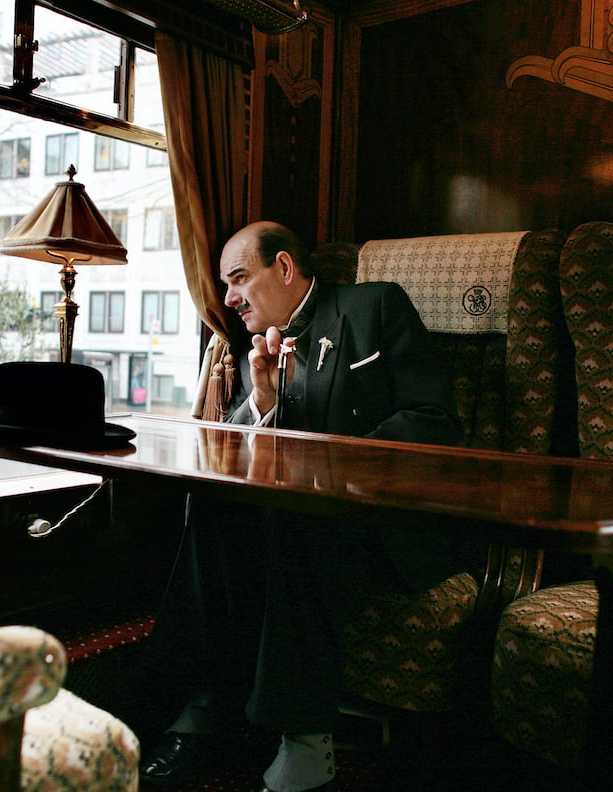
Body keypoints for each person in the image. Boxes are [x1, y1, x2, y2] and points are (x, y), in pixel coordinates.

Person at [140, 222, 468, 791]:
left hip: (384, 520)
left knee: (299, 514)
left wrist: (327, 468)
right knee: (214, 503)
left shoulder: (375, 308)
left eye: (239, 279)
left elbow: (434, 420)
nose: (230, 299)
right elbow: (240, 450)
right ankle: (205, 711)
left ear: (285, 268)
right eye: (224, 286)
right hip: (291, 515)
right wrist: (263, 401)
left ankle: (306, 738)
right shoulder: (252, 353)